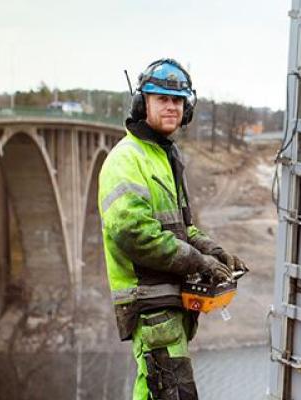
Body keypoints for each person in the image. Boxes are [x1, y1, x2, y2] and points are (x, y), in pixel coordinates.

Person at [97, 58, 247, 400]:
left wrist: (214, 252)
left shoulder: (164, 158)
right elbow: (133, 232)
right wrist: (197, 262)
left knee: (154, 391)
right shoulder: (127, 160)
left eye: (177, 101)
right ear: (142, 103)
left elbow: (182, 228)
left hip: (168, 304)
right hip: (149, 302)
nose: (171, 106)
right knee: (171, 392)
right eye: (161, 99)